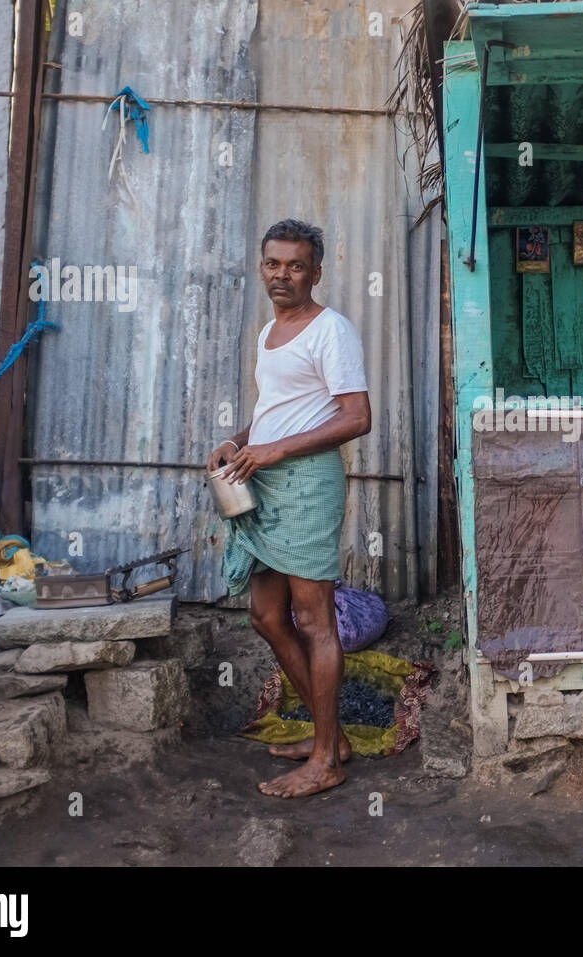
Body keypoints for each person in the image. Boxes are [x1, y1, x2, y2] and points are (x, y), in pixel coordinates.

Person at [208, 219, 371, 799]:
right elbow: (278, 407)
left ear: (316, 273)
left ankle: (326, 759)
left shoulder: (333, 330)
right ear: (262, 266)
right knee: (266, 617)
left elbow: (356, 417)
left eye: (296, 266)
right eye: (273, 264)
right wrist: (240, 437)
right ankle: (333, 736)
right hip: (263, 483)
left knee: (315, 620)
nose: (282, 275)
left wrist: (275, 449)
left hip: (304, 485)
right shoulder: (272, 331)